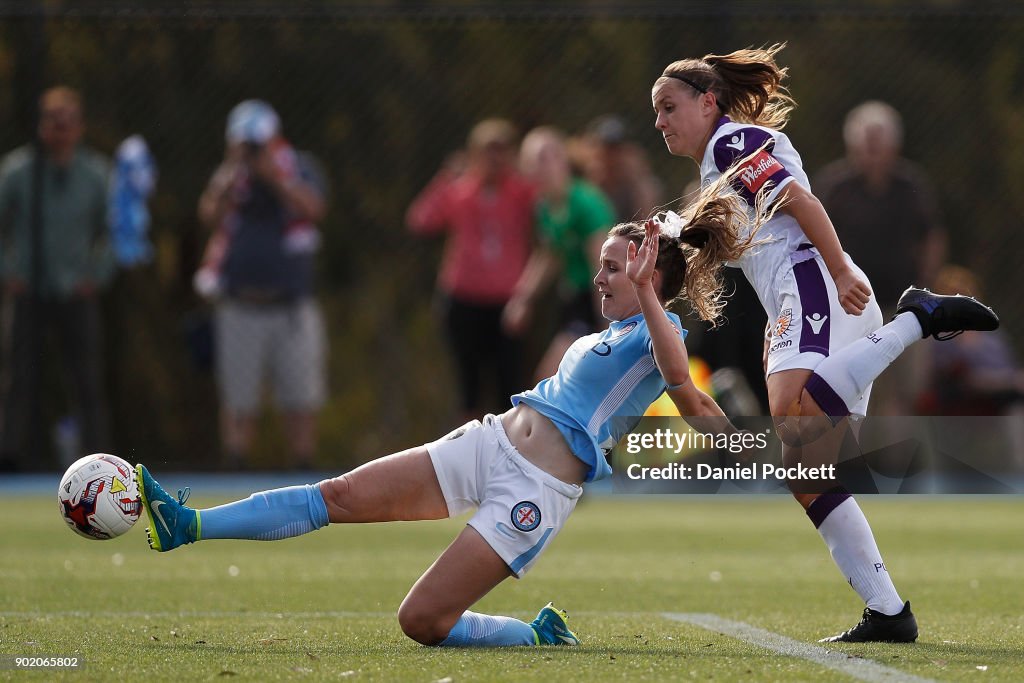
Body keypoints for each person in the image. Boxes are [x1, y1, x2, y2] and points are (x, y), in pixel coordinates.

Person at [134, 170, 766, 648]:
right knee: (340, 495)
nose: (598, 277)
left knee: (421, 621)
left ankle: (535, 636)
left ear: (649, 277)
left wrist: (751, 446)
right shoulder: (601, 332)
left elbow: (684, 382)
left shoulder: (663, 338)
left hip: (534, 490)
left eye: (612, 268)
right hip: (486, 443)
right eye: (600, 265)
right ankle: (188, 525)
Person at [651, 43, 999, 642]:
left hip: (815, 285)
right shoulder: (716, 163)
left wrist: (838, 271)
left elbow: (800, 201)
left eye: (668, 106)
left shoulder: (731, 144)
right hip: (796, 300)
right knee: (804, 467)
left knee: (798, 431)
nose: (659, 121)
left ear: (709, 103)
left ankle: (917, 319)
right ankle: (889, 613)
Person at [196, 100, 328, 470]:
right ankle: (236, 465)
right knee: (239, 399)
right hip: (240, 304)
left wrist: (274, 177)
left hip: (292, 304)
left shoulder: (299, 168)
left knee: (301, 396)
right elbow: (209, 216)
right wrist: (231, 173)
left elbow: (314, 209)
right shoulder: (229, 177)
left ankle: (304, 469)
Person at [0, 86, 115, 470]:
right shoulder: (18, 171)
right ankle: (11, 456)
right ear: (42, 127)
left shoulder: (96, 175)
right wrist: (9, 270)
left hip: (77, 292)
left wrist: (96, 274)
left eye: (67, 123)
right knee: (19, 377)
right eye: (53, 123)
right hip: (29, 288)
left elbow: (115, 230)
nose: (60, 131)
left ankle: (98, 460)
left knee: (85, 379)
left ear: (79, 127)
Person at [815, 101, 947, 415]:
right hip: (851, 307)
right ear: (853, 146)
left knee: (909, 389)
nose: (872, 151)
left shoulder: (910, 185)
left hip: (903, 306)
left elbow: (932, 235)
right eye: (866, 143)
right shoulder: (835, 188)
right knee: (856, 387)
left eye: (879, 143)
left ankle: (905, 461)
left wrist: (926, 283)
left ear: (893, 146)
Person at [406, 119, 535, 422]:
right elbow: (420, 221)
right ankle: (468, 455)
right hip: (463, 298)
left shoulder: (521, 193)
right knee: (469, 384)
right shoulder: (459, 191)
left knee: (510, 382)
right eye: (489, 151)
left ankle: (510, 451)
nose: (495, 159)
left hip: (506, 302)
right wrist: (445, 178)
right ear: (474, 154)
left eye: (502, 151)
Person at [503, 126, 616, 381]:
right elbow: (551, 255)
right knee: (556, 386)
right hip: (574, 302)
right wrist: (522, 298)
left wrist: (609, 327)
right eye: (530, 161)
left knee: (549, 379)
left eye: (544, 158)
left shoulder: (586, 203)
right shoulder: (544, 208)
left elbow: (604, 267)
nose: (538, 167)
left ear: (562, 159)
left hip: (598, 300)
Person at [575, 114, 664, 222]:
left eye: (617, 148)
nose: (612, 155)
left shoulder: (636, 181)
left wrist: (636, 179)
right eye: (607, 148)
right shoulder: (588, 179)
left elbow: (647, 218)